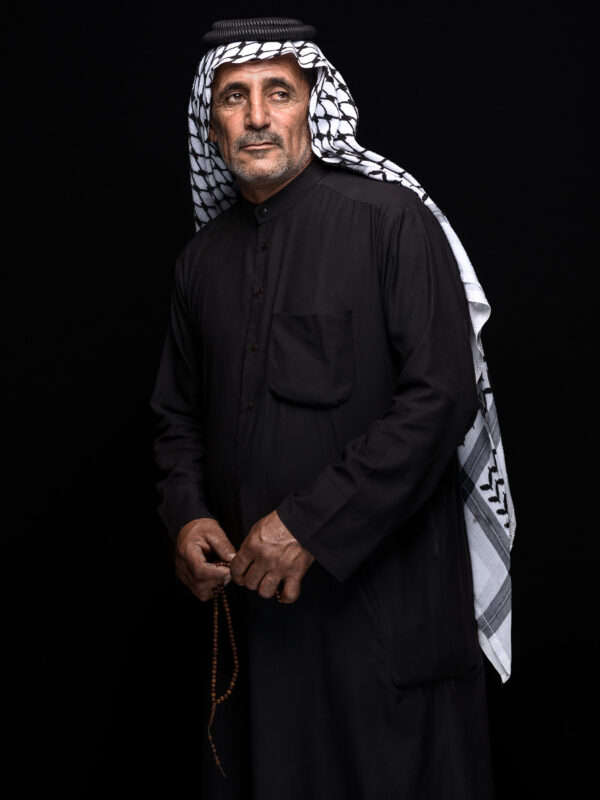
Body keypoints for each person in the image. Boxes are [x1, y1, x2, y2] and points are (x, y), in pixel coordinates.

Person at [151, 17, 516, 800]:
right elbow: (175, 418)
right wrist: (185, 514)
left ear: (311, 108)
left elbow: (440, 398)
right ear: (210, 124)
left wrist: (308, 526)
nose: (255, 116)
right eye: (234, 97)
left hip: (386, 622)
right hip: (256, 622)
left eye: (277, 94)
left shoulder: (392, 223)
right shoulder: (200, 263)